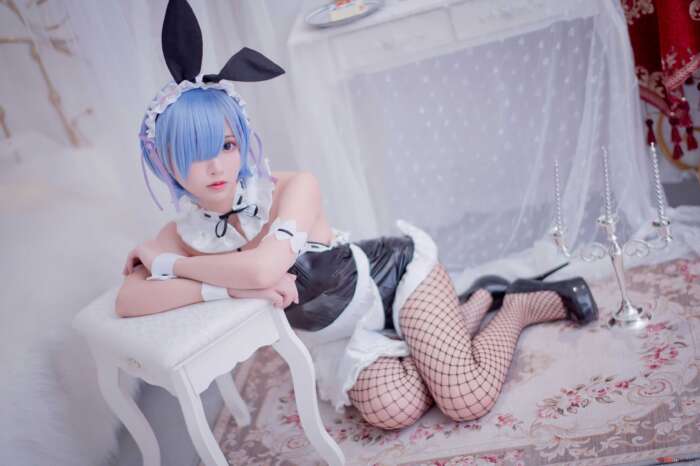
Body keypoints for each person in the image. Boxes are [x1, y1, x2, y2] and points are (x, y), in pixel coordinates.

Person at [117, 0, 600, 431]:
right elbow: (130, 299)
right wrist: (227, 288)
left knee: (465, 397)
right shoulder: (184, 232)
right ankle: (469, 306)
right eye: (195, 153)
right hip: (340, 338)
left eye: (225, 145)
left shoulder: (292, 187)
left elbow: (264, 270)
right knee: (394, 409)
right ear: (166, 162)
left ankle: (514, 306)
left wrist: (173, 266)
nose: (217, 166)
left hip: (393, 280)